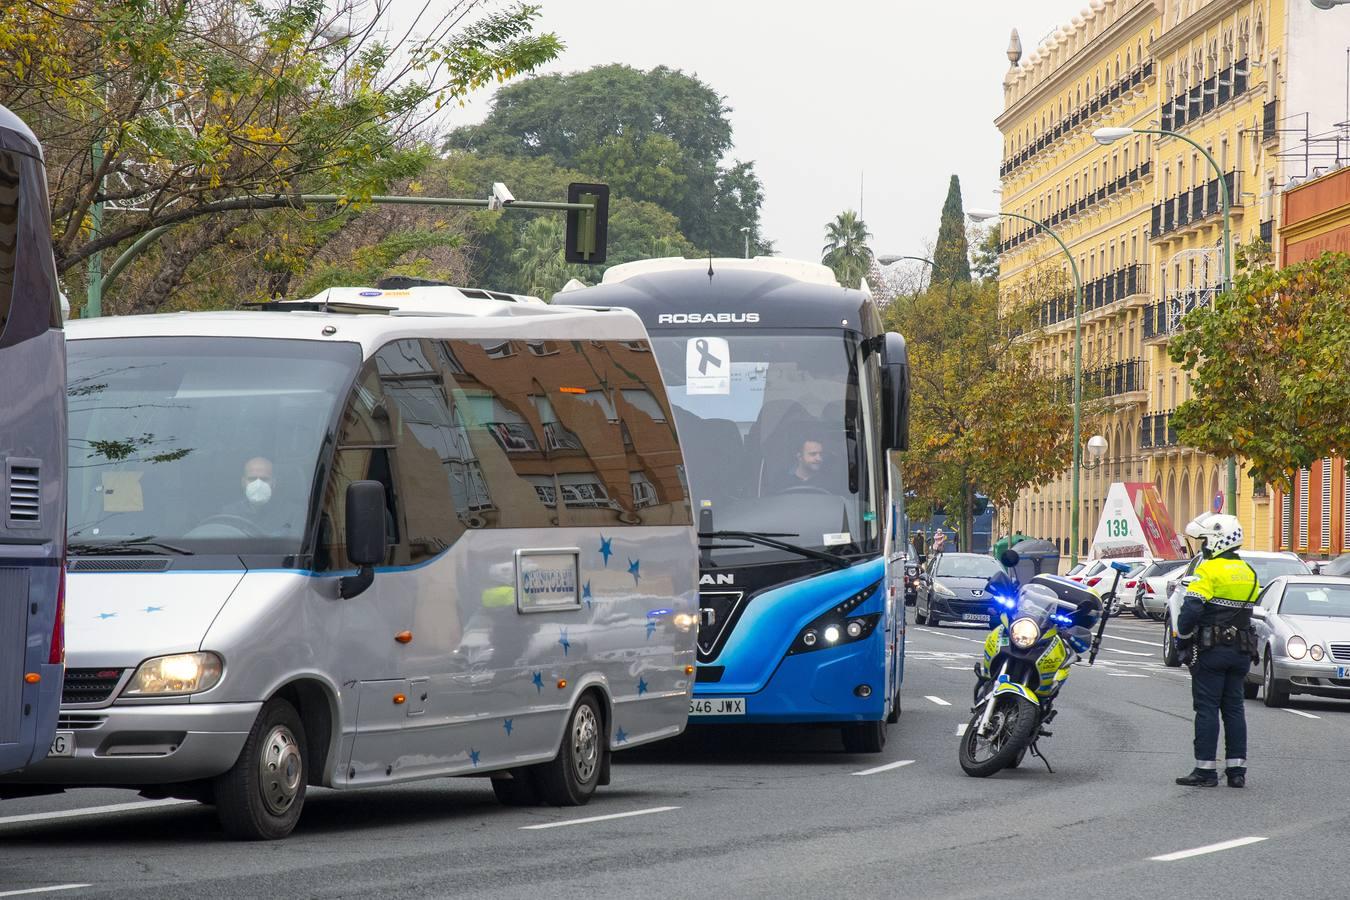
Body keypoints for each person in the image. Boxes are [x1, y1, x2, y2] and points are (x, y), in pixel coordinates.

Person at [1174, 512, 1259, 789]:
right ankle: (1237, 771)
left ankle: (1205, 770)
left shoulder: (1208, 570)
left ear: (1217, 541)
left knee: (1207, 708)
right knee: (1234, 708)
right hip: (1241, 652)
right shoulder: (1249, 572)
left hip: (1211, 651)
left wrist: (1183, 637)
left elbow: (1191, 611)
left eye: (1205, 541)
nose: (1203, 547)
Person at [219, 456, 291, 534]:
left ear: (274, 483)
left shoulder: (292, 514)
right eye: (252, 479)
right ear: (243, 482)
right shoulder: (229, 513)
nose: (258, 485)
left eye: (264, 479)